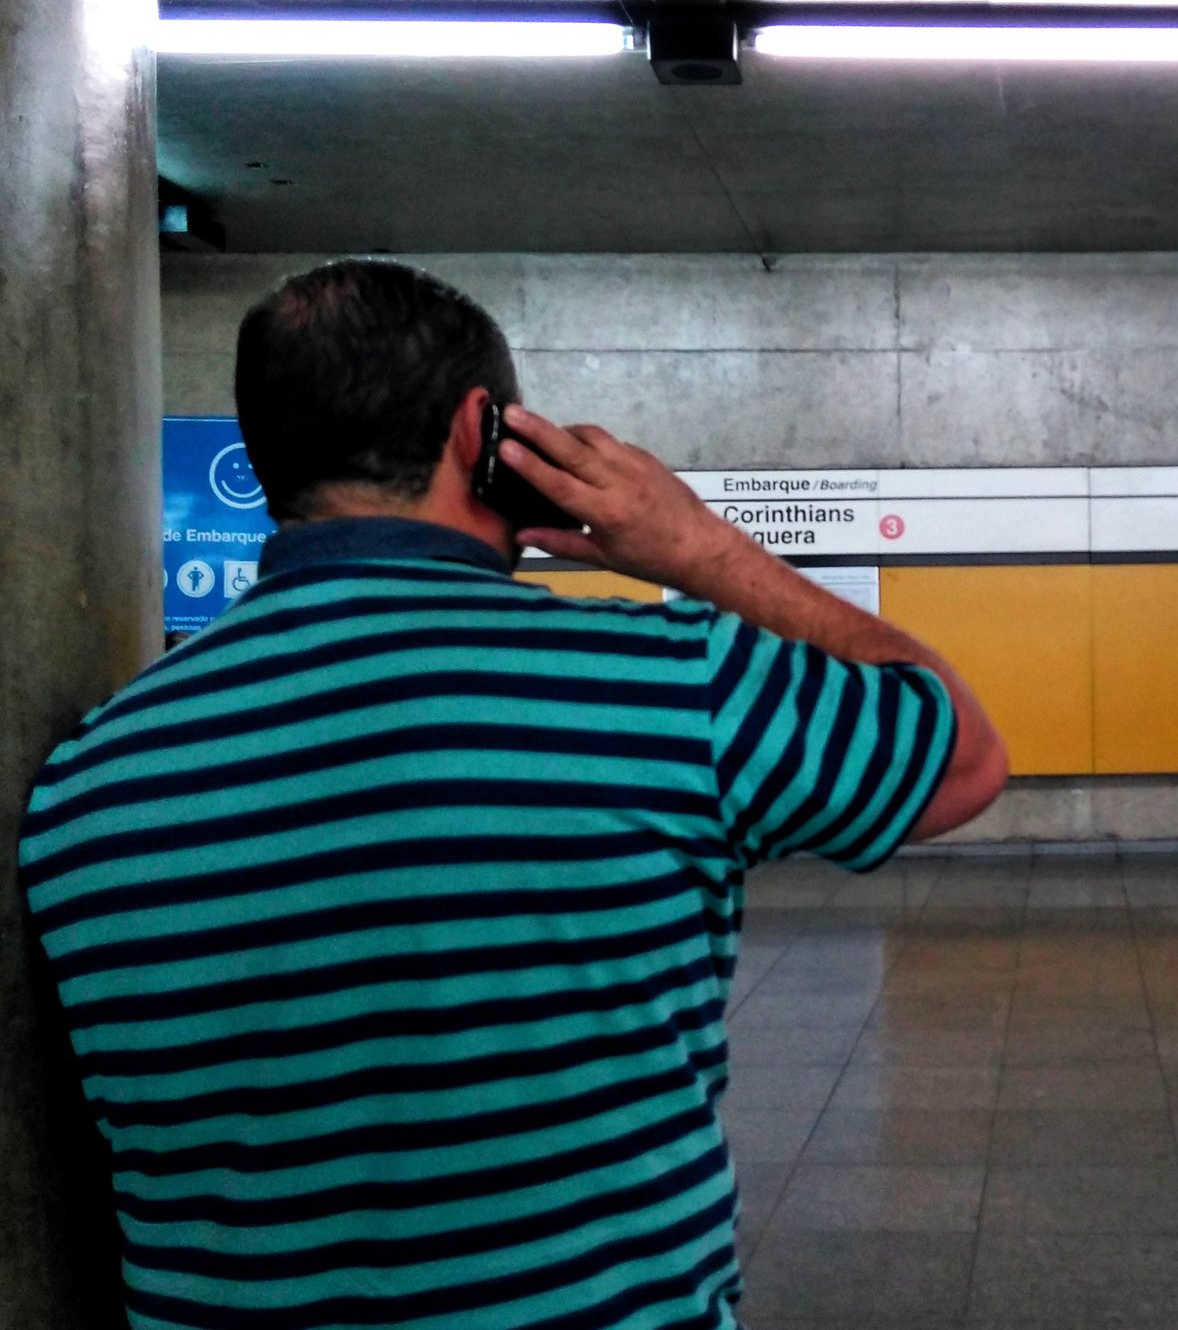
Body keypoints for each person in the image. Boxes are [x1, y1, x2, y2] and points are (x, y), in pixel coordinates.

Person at [16, 260, 1008, 1330]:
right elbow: (960, 756)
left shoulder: (85, 784)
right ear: (479, 432)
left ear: (263, 458)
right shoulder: (667, 685)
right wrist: (696, 547)